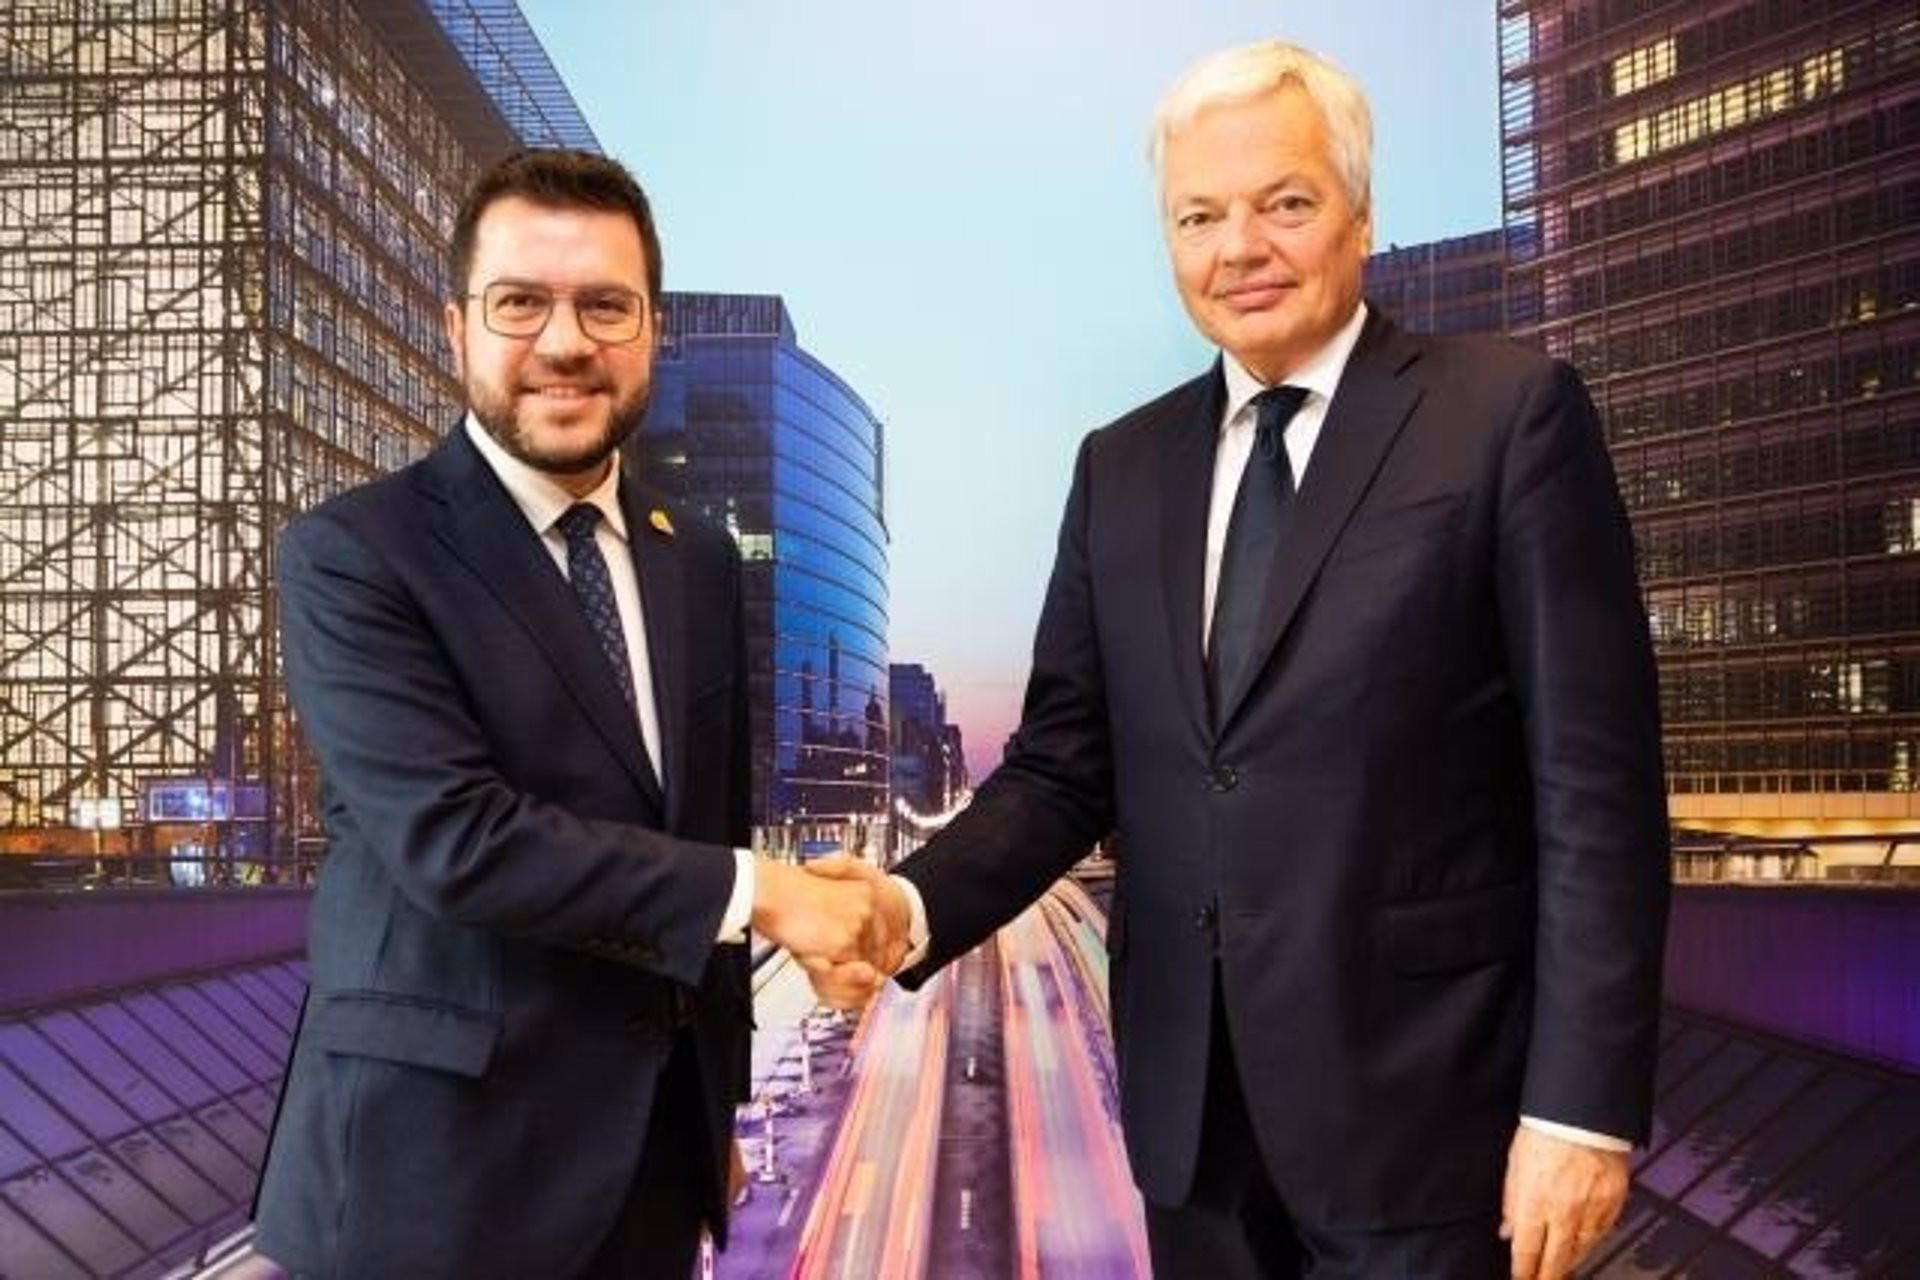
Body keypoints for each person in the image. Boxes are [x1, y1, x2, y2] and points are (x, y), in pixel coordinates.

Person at [848, 40, 1671, 1279]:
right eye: (1200, 215)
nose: (1241, 248)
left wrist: (1581, 1109)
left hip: (1434, 1126)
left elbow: (1596, 792)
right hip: (1195, 1133)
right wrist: (905, 905)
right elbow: (1065, 768)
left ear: (1361, 216)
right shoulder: (1117, 468)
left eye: (1284, 203)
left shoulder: (1506, 415)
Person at [252, 148, 893, 1280]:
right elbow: (461, 842)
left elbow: (699, 828)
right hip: (435, 1187)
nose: (564, 341)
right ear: (456, 329)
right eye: (520, 303)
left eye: (606, 304)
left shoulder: (695, 555)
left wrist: (713, 1118)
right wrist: (772, 892)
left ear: (651, 331)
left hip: (648, 1166)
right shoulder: (353, 555)